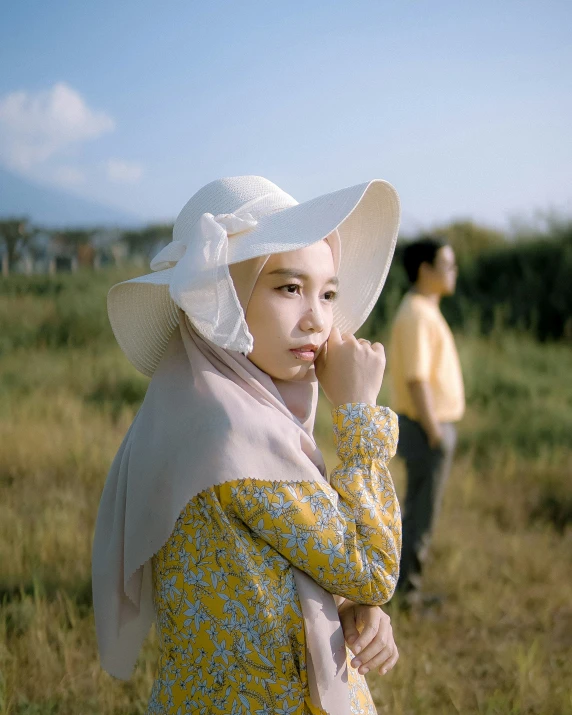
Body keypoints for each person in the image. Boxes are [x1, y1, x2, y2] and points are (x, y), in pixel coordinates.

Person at [92, 175, 402, 715]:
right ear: (222, 301)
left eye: (328, 292)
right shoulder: (233, 433)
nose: (318, 319)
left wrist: (351, 603)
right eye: (288, 288)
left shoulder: (188, 406)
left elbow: (283, 559)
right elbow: (374, 565)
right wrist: (358, 415)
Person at [388, 236, 465, 606]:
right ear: (425, 270)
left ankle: (406, 589)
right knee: (420, 512)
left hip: (427, 426)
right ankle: (407, 595)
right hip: (425, 427)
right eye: (447, 265)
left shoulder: (423, 309)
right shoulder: (418, 313)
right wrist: (435, 432)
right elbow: (417, 379)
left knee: (418, 509)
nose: (454, 272)